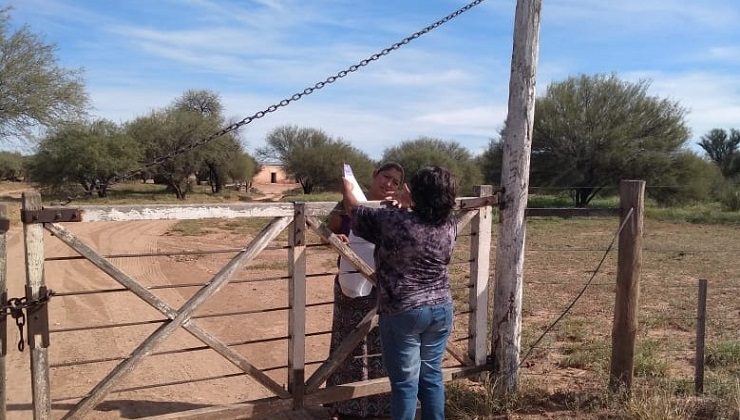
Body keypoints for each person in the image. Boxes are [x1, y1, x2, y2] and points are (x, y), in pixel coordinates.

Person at [342, 166, 457, 420]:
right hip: (441, 307)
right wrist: (408, 202)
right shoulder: (449, 224)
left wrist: (347, 188)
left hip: (403, 310)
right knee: (431, 376)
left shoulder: (394, 221)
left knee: (405, 382)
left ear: (417, 193)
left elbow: (354, 210)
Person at [326, 162, 405, 419]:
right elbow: (330, 228)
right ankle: (343, 405)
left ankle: (380, 405)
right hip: (351, 281)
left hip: (384, 285)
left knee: (382, 343)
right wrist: (337, 239)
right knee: (348, 341)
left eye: (395, 181)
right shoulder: (349, 202)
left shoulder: (396, 208)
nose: (389, 184)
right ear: (374, 176)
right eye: (386, 177)